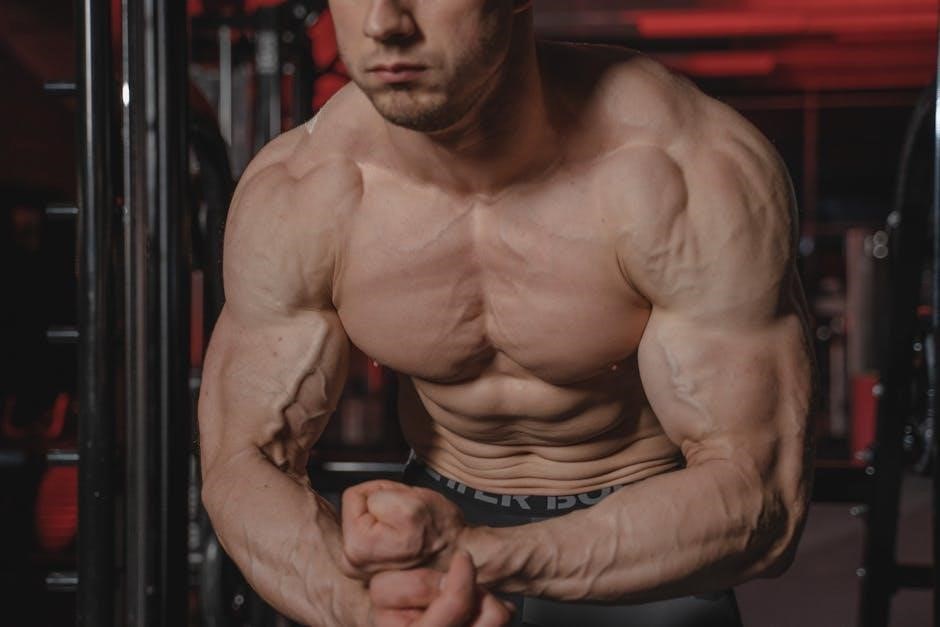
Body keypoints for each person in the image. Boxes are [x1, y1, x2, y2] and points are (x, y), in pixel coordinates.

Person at [197, 0, 815, 625]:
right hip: (439, 511)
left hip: (653, 535)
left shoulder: (682, 170)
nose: (383, 23)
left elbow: (761, 492)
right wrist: (362, 607)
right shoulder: (304, 190)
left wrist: (478, 556)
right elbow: (241, 462)